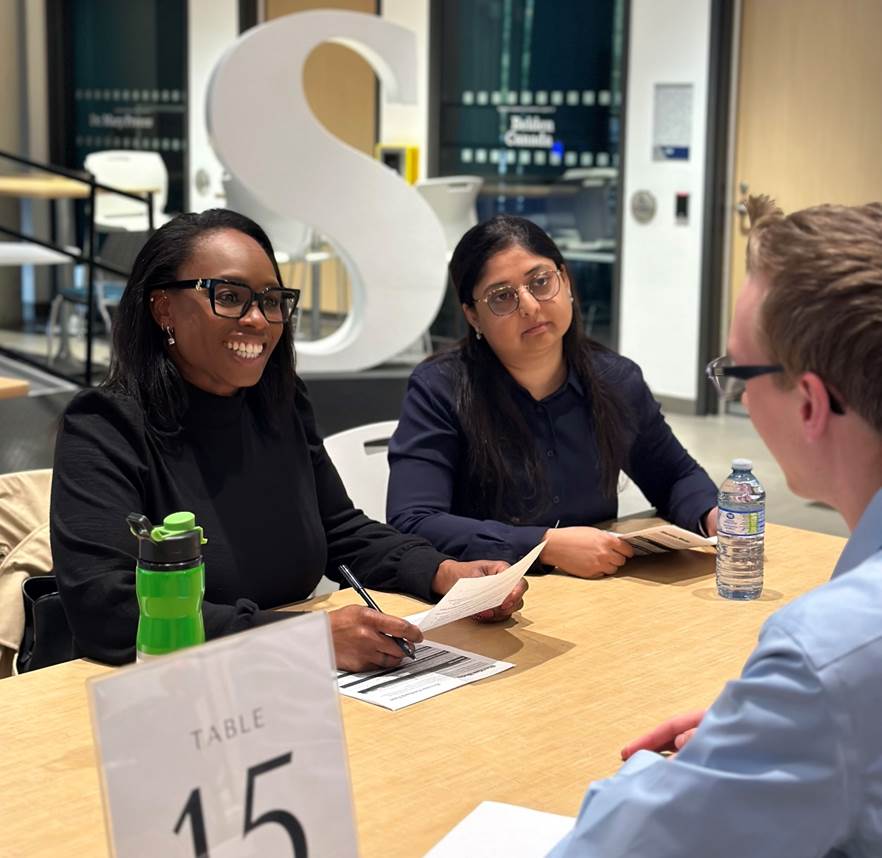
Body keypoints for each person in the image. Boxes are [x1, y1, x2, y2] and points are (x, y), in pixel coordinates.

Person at [50, 209, 526, 672]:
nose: (258, 319)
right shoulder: (104, 425)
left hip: (290, 687)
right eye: (230, 296)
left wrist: (442, 573)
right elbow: (107, 611)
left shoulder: (277, 404)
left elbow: (340, 531)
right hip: (164, 699)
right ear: (163, 308)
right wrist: (302, 641)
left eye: (271, 299)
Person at [549, 196, 882, 856]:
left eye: (736, 372)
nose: (738, 396)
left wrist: (764, 734)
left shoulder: (828, 652)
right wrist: (769, 734)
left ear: (811, 403)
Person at [387, 215, 718, 578]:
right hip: (492, 600)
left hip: (602, 592)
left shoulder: (615, 378)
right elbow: (413, 520)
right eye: (502, 297)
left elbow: (675, 476)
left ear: (565, 281)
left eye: (540, 282)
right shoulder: (440, 388)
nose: (529, 306)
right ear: (473, 316)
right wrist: (543, 545)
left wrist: (712, 514)